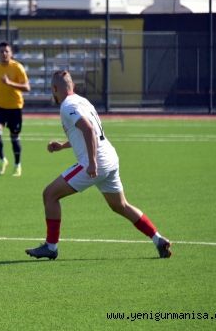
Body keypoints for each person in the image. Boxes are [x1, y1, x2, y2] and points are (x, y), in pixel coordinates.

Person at [26, 70, 171, 259]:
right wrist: (63, 146)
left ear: (54, 89)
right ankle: (158, 239)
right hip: (110, 157)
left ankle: (51, 247)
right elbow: (89, 133)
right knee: (120, 205)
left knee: (50, 194)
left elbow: (88, 129)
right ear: (73, 86)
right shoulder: (83, 101)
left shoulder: (67, 105)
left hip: (95, 162)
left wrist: (92, 162)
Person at [0, 42, 30, 177]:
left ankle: (17, 165)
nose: (4, 54)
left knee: (14, 137)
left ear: (11, 53)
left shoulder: (17, 68)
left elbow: (27, 87)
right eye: (1, 51)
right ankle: (3, 160)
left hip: (15, 107)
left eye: (6, 51)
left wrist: (10, 83)